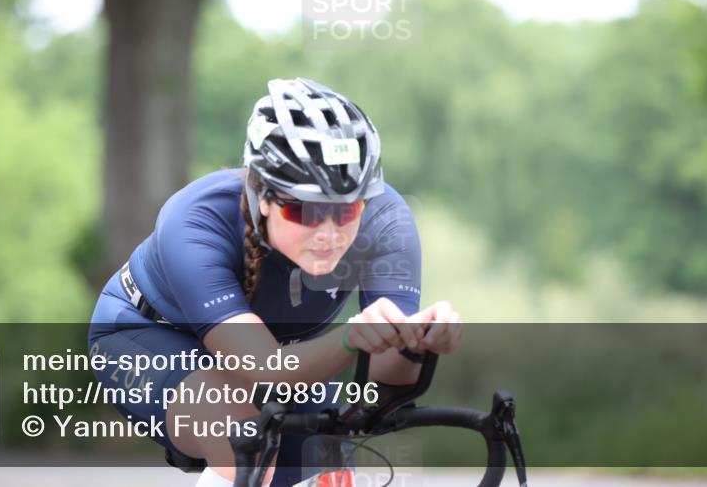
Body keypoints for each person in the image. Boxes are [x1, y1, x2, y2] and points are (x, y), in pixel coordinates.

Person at [88, 77, 463, 487]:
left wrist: (416, 343)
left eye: (347, 211)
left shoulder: (387, 220)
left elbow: (385, 387)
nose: (329, 232)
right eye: (305, 210)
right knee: (244, 441)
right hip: (148, 335)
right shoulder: (193, 221)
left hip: (287, 354)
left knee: (330, 474)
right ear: (263, 195)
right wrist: (349, 338)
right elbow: (264, 370)